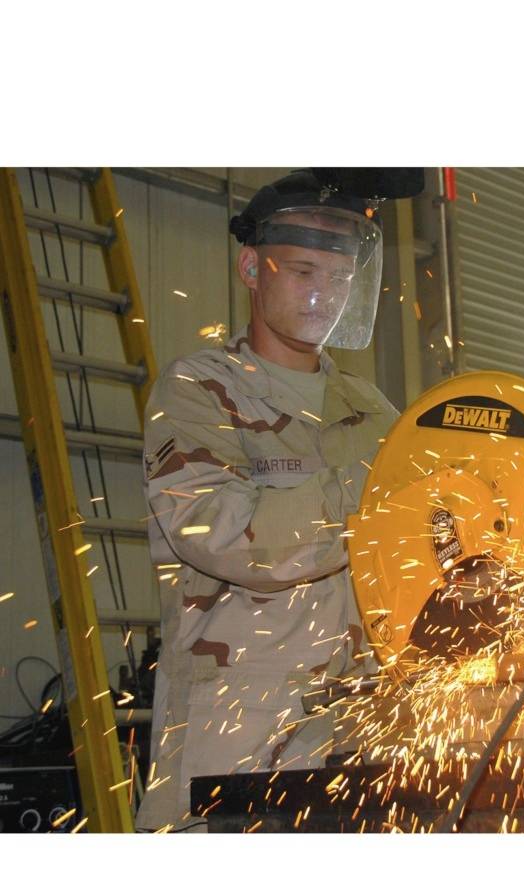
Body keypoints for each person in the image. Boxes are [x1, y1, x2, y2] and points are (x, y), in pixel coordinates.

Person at [135, 168, 420, 831]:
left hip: (361, 729)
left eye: (339, 277)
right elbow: (219, 531)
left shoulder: (373, 410)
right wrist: (373, 493)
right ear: (251, 268)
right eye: (301, 271)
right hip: (241, 741)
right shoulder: (200, 390)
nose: (324, 294)